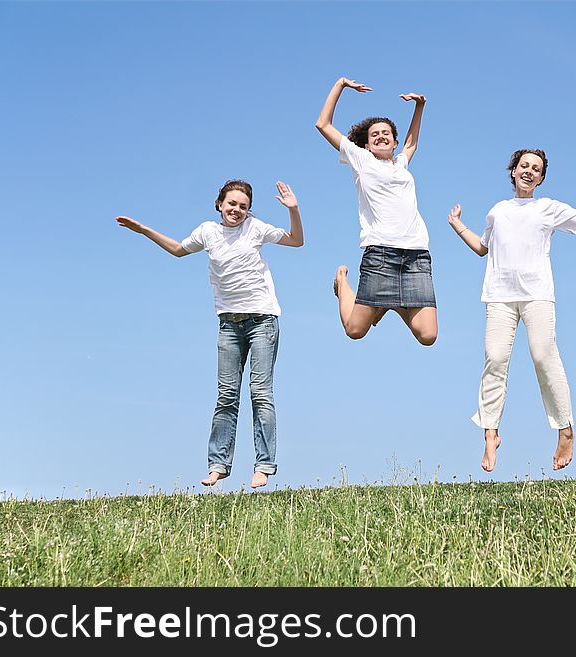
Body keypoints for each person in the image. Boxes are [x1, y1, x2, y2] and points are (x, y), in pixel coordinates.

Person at [115, 180, 304, 488]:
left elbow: (297, 240)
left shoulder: (255, 228)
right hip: (228, 324)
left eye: (243, 206)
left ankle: (264, 466)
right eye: (232, 204)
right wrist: (145, 231)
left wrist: (293, 210)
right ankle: (218, 465)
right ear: (219, 204)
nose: (237, 210)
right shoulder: (207, 232)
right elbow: (178, 250)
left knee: (260, 393)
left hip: (262, 321)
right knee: (227, 396)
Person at [447, 150, 576, 473]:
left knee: (542, 355)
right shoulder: (497, 211)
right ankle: (490, 435)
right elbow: (483, 247)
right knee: (494, 359)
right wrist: (456, 225)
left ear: (541, 178)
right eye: (524, 166)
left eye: (536, 169)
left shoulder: (547, 208)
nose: (529, 171)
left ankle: (565, 429)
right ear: (513, 171)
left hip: (537, 295)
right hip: (499, 296)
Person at [315, 76, 437, 346]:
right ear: (367, 145)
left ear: (394, 142)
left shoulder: (401, 165)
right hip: (380, 254)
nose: (381, 136)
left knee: (428, 336)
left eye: (387, 134)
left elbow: (412, 144)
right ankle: (342, 283)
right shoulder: (361, 160)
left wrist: (420, 107)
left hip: (416, 255)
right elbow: (322, 124)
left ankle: (389, 303)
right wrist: (340, 85)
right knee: (355, 330)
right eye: (374, 135)